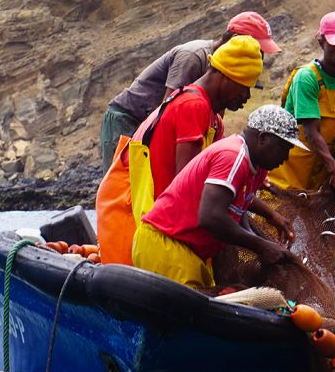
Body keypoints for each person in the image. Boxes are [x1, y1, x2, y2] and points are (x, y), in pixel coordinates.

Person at [96, 35, 264, 265]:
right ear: (226, 76)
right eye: (245, 88)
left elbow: (220, 183)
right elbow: (189, 185)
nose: (246, 97)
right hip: (132, 212)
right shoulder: (192, 107)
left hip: (156, 217)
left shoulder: (213, 119)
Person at [131, 105, 305, 288]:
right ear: (263, 138)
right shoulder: (233, 156)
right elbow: (211, 216)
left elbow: (238, 203)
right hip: (167, 244)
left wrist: (270, 217)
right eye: (284, 148)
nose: (286, 157)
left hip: (191, 252)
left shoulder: (257, 168)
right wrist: (261, 246)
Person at [100, 11, 281, 168]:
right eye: (257, 49)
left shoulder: (226, 75)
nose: (260, 56)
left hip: (151, 122)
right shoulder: (194, 57)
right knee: (124, 185)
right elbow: (167, 110)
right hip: (128, 118)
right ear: (236, 41)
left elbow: (213, 126)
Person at [268, 11, 335, 192]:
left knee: (331, 219)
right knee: (281, 215)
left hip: (325, 163)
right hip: (291, 163)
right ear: (321, 42)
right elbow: (311, 131)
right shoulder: (306, 77)